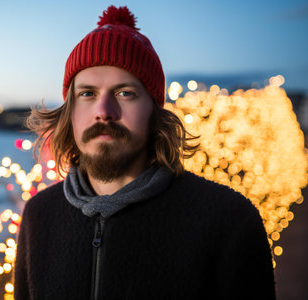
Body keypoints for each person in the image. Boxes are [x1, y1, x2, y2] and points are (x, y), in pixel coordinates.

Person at [14, 5, 275, 300]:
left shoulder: (228, 220)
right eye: (87, 93)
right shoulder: (39, 215)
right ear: (70, 112)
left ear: (155, 111)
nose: (104, 112)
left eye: (125, 93)